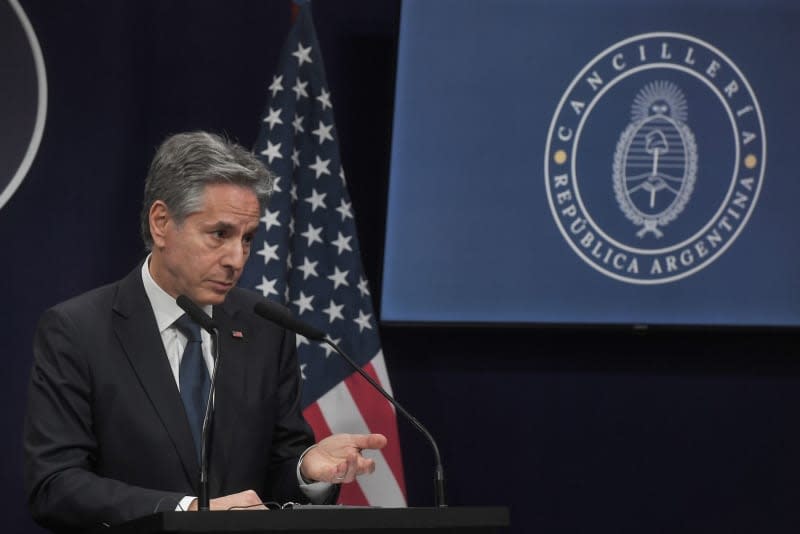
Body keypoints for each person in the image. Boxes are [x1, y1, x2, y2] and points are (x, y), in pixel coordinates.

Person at [23, 131, 387, 532]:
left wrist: (308, 471)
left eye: (247, 239)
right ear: (162, 223)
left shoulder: (266, 326)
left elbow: (278, 468)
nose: (237, 259)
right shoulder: (78, 330)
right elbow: (55, 485)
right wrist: (185, 510)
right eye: (220, 234)